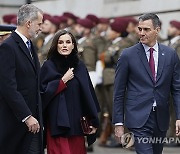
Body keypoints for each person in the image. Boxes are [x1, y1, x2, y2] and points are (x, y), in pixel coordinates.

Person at [113, 13, 180, 154]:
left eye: (146, 29)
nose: (141, 33)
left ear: (157, 30)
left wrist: (179, 117)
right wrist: (118, 123)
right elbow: (118, 91)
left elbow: (177, 89)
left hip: (160, 118)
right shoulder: (127, 55)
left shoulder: (170, 54)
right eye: (140, 29)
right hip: (138, 118)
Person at [40, 30, 100, 154]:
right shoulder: (48, 66)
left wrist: (93, 120)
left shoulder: (80, 66)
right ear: (56, 45)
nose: (64, 45)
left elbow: (88, 95)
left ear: (73, 45)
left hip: (77, 123)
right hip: (57, 123)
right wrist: (62, 81)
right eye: (60, 42)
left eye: (68, 42)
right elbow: (43, 94)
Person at [0, 4, 44, 154]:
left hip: (34, 121)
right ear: (29, 23)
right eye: (39, 23)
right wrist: (26, 116)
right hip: (17, 123)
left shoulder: (30, 45)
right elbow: (8, 87)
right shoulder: (8, 47)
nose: (41, 28)